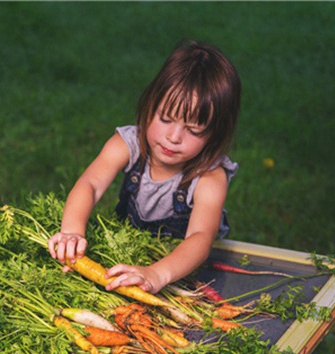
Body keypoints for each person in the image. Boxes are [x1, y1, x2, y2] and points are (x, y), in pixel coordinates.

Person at [48, 40, 241, 294]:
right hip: (126, 257)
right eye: (165, 119)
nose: (173, 137)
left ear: (214, 135)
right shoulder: (127, 144)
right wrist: (72, 232)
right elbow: (90, 185)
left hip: (181, 274)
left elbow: (200, 238)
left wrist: (156, 273)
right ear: (150, 105)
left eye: (193, 130)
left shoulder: (209, 177)